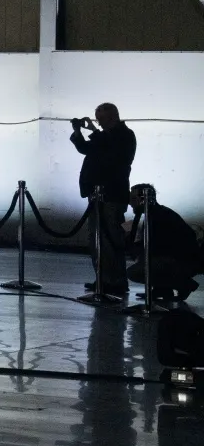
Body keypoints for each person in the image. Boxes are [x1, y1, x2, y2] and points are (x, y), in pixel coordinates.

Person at [72, 103, 135, 300]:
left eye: (103, 119)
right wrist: (77, 132)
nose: (100, 123)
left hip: (112, 195)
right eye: (98, 119)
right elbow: (85, 148)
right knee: (96, 238)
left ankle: (115, 280)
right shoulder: (105, 137)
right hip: (96, 195)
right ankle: (102, 277)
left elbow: (114, 156)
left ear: (114, 117)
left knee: (111, 237)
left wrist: (93, 131)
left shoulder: (124, 135)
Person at [125, 183, 198, 305]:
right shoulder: (158, 213)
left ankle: (184, 284)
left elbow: (157, 248)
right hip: (182, 260)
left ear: (144, 199)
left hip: (182, 262)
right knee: (144, 262)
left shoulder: (157, 217)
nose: (130, 203)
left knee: (134, 272)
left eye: (133, 199)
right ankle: (162, 289)